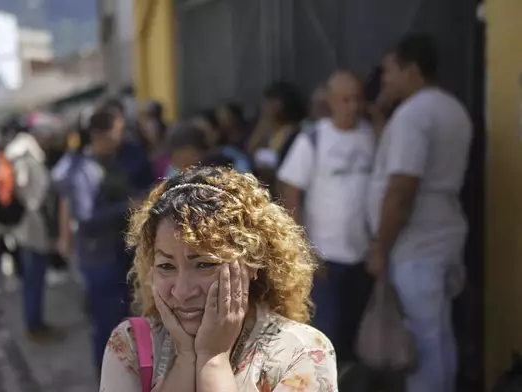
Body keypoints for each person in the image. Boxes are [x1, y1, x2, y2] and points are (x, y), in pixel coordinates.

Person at [99, 166, 338, 391]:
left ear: (252, 262)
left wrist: (213, 359)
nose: (182, 292)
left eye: (204, 264)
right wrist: (185, 360)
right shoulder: (130, 345)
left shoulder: (301, 353)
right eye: (166, 266)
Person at [367, 34, 472, 392]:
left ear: (411, 70)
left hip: (417, 245)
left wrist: (380, 248)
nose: (385, 80)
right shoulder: (451, 108)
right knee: (438, 335)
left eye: (390, 72)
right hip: (442, 235)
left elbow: (401, 191)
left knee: (422, 342)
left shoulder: (413, 115)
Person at [278, 70, 375, 362]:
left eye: (357, 99)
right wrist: (306, 252)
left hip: (363, 258)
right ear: (330, 101)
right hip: (325, 263)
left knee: (358, 340)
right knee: (325, 342)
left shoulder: (371, 136)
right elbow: (290, 196)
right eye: (345, 99)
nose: (353, 106)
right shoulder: (313, 139)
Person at [53, 109, 137, 370]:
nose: (119, 139)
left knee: (122, 326)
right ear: (98, 135)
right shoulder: (83, 169)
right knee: (108, 328)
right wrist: (129, 205)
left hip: (117, 255)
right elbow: (85, 217)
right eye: (115, 133)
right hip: (100, 260)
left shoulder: (110, 162)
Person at [4, 112, 63, 342]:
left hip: (28, 224)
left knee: (33, 278)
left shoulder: (22, 152)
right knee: (33, 278)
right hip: (31, 225)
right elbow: (22, 187)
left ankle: (35, 322)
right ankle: (34, 325)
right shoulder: (25, 155)